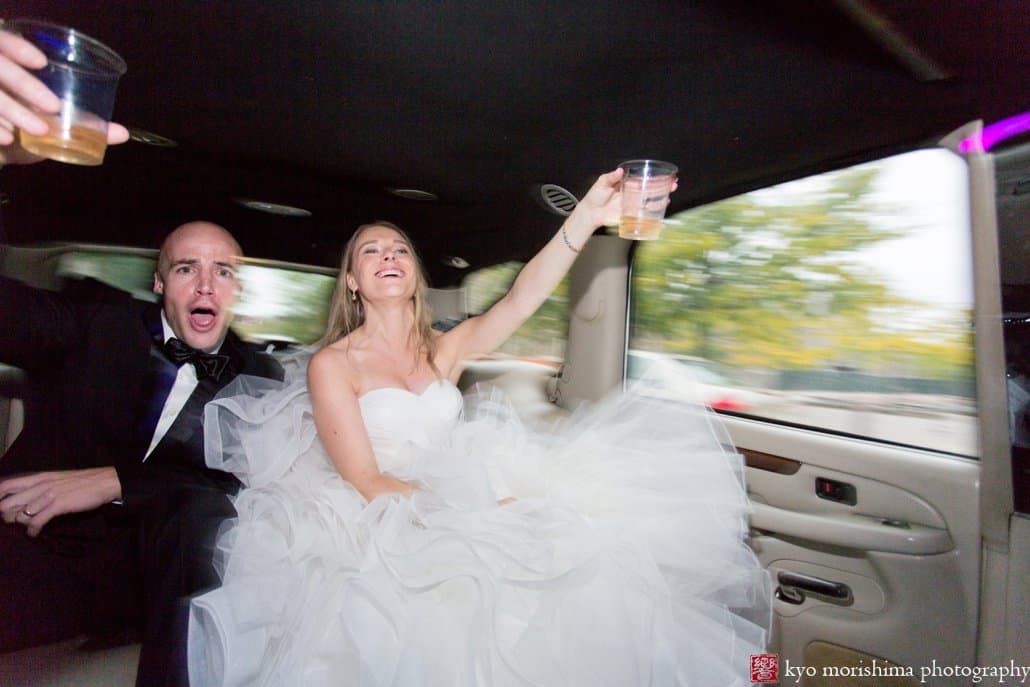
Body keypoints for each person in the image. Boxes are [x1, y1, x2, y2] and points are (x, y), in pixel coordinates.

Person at [188, 171, 772, 686]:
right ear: (353, 282)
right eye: (370, 252)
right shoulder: (332, 366)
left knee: (586, 554)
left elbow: (522, 299)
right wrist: (476, 508)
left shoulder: (444, 350)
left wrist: (588, 216)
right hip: (382, 520)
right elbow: (366, 480)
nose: (389, 255)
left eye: (399, 249)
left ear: (415, 276)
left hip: (461, 492)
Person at [0, 26, 281, 687]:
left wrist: (116, 480)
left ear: (237, 289)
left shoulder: (261, 377)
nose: (206, 285)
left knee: (204, 513)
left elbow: (252, 487)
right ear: (159, 283)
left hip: (160, 579)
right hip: (36, 547)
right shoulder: (93, 324)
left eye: (223, 271)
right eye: (187, 268)